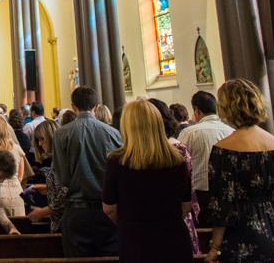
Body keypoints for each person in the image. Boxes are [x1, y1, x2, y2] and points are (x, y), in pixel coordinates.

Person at [206, 79, 274, 263]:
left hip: (242, 235)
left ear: (226, 107)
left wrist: (215, 247)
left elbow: (222, 205)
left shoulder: (224, 150)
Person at [102, 100, 193, 263]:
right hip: (174, 237)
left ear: (127, 126)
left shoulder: (117, 161)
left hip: (135, 239)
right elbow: (186, 205)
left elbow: (109, 208)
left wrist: (130, 222)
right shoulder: (178, 159)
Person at [52, 86, 123, 257]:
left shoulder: (61, 134)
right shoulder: (114, 133)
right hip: (108, 210)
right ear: (96, 107)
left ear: (73, 106)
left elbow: (63, 177)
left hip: (77, 211)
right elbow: (120, 175)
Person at [148, 98, 200, 254]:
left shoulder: (135, 153)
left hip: (151, 218)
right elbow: (188, 186)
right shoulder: (179, 148)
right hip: (177, 215)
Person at [177, 90, 233, 226]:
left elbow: (178, 163)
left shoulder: (189, 133)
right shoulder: (230, 131)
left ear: (197, 110)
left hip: (199, 196)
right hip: (227, 195)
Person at [27, 119, 66, 232]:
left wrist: (43, 212)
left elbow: (65, 196)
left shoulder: (62, 159)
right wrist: (47, 188)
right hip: (60, 221)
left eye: (42, 139)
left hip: (65, 223)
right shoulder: (57, 159)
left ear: (51, 136)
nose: (40, 144)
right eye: (38, 140)